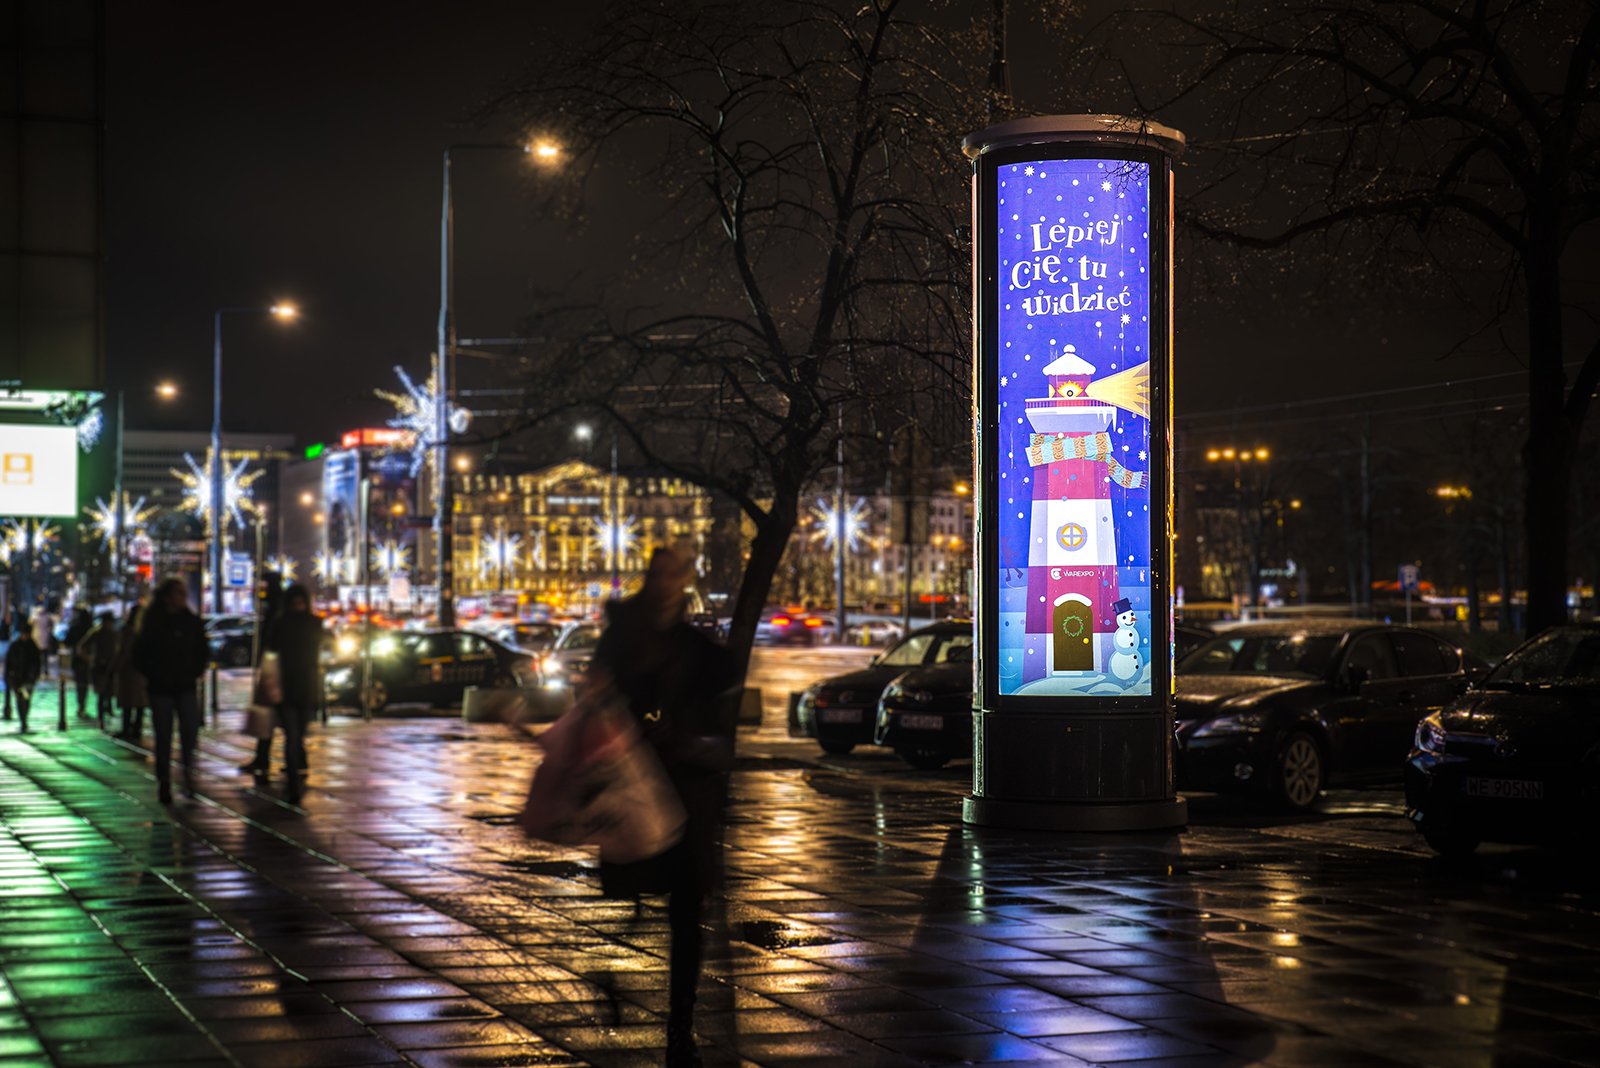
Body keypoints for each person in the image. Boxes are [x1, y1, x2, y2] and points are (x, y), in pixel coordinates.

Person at [586, 547, 740, 1067]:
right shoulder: (623, 639)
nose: (669, 583)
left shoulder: (692, 647)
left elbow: (717, 702)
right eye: (661, 574)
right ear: (651, 579)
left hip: (687, 793)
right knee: (638, 896)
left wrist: (694, 738)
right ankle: (615, 979)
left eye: (677, 575)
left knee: (686, 911)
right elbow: (599, 701)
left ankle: (681, 1024)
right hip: (640, 786)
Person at [133, 579, 209, 805]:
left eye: (184, 593)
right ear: (167, 597)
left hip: (185, 686)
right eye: (178, 593)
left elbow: (202, 651)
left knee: (190, 734)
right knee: (163, 737)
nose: (183, 597)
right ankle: (164, 780)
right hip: (161, 688)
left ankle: (188, 775)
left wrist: (194, 671)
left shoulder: (191, 622)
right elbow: (139, 654)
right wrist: (154, 674)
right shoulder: (154, 622)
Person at [253, 584, 322, 803]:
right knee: (293, 735)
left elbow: (270, 651)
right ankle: (293, 781)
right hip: (293, 687)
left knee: (296, 735)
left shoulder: (288, 623)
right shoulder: (305, 623)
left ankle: (294, 776)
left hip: (298, 687)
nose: (298, 606)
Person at [114, 598, 150, 742]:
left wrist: (115, 666)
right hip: (142, 670)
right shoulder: (145, 629)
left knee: (128, 701)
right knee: (140, 702)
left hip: (129, 670)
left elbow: (123, 651)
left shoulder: (128, 630)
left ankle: (127, 729)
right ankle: (136, 729)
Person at [81, 612, 120, 730]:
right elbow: (82, 647)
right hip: (100, 667)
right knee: (102, 694)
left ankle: (105, 714)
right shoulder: (98, 633)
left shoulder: (112, 633)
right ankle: (101, 717)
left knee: (106, 693)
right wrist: (90, 659)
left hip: (109, 667)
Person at [4, 626, 42, 733]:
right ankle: (23, 720)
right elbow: (9, 662)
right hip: (17, 678)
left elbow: (37, 663)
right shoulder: (15, 646)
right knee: (20, 699)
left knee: (26, 699)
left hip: (28, 678)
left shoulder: (32, 646)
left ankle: (24, 719)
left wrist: (35, 676)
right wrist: (8, 676)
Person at [64, 606, 94, 716]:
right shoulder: (91, 628)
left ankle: (81, 705)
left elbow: (67, 641)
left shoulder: (75, 627)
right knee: (87, 683)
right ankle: (85, 705)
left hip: (77, 659)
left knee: (80, 683)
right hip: (90, 659)